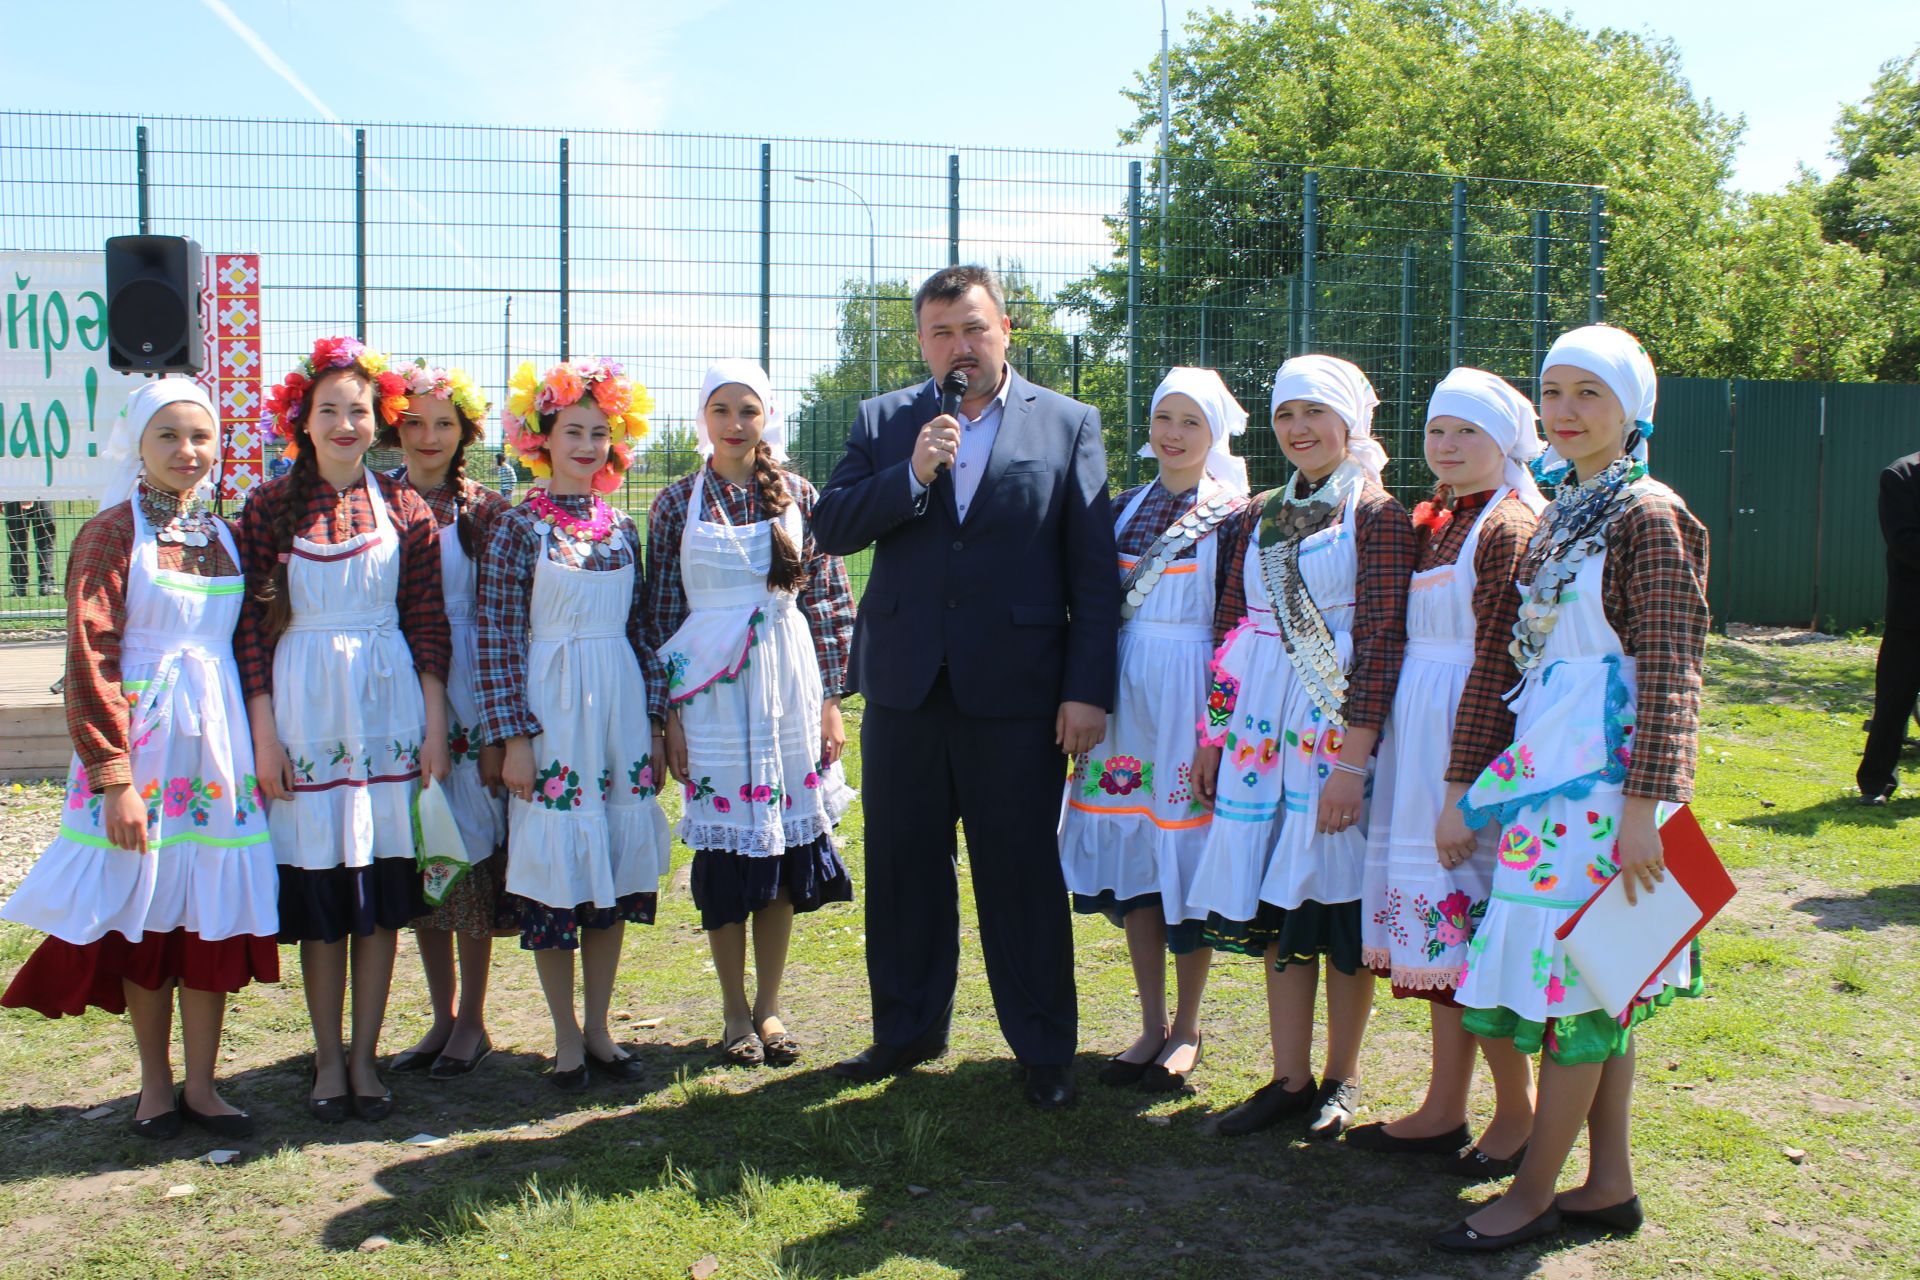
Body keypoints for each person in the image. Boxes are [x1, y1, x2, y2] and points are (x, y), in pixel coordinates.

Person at [811, 264, 1120, 1109]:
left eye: (974, 328)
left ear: (1006, 330)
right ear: (922, 341)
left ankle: (1045, 1047)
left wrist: (1087, 688)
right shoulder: (885, 421)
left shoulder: (1067, 424)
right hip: (907, 688)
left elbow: (1092, 575)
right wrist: (910, 474)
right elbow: (830, 525)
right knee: (906, 869)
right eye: (942, 332)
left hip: (1018, 694)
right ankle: (907, 1030)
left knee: (1019, 872)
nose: (960, 346)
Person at [1432, 325, 1709, 1253]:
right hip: (1551, 784)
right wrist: (1464, 783)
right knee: (1598, 986)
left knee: (1586, 992)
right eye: (1553, 392)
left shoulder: (1648, 514)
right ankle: (1609, 1185)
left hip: (1609, 796)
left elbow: (1671, 668)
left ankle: (1535, 1194)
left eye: (1589, 392)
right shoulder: (1563, 512)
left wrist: (1645, 807)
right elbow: (1511, 668)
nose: (1565, 411)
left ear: (1634, 407)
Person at [0, 379, 277, 1139]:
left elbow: (244, 644)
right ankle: (156, 1086)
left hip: (215, 752)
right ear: (137, 446)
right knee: (147, 917)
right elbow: (91, 657)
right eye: (169, 437)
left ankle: (205, 1086)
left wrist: (259, 742)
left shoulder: (223, 536)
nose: (187, 452)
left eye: (200, 437)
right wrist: (113, 778)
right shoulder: (109, 534)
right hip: (145, 752)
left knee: (208, 915)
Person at [1187, 354, 1415, 1140]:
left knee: (1337, 906)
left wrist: (1354, 762)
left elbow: (1384, 640)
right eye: (1286, 415)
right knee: (1283, 907)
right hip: (1258, 734)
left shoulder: (1378, 516)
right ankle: (1288, 1076)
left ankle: (1342, 1080)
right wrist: (1212, 735)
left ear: (1351, 423)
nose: (1299, 429)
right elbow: (1229, 630)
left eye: (1315, 413)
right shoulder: (1254, 515)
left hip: (1333, 734)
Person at [238, 337, 450, 1124]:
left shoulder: (404, 507)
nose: (344, 423)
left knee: (377, 895)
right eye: (328, 409)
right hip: (304, 713)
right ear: (303, 420)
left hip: (386, 712)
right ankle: (326, 1059)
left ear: (378, 421)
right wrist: (265, 736)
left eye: (358, 410)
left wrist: (433, 727)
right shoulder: (267, 507)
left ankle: (366, 1059)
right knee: (325, 897)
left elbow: (427, 624)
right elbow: (250, 633)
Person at [1347, 368, 1543, 1174]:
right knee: (1438, 933)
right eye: (1437, 431)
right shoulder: (1444, 519)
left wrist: (1464, 790)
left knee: (1474, 930)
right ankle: (1444, 1103)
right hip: (1419, 746)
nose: (1449, 446)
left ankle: (1519, 1111)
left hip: (1466, 752)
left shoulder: (1509, 528)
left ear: (1506, 441)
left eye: (1468, 432)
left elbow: (1499, 667)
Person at [647, 360, 857, 1067]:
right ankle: (732, 1010)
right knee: (727, 852)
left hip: (787, 686)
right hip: (709, 694)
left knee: (782, 848)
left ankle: (770, 1006)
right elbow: (662, 614)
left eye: (749, 410)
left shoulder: (799, 494)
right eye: (722, 411)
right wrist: (669, 714)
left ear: (767, 417)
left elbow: (827, 602)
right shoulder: (676, 502)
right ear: (702, 419)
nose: (736, 424)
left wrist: (831, 701)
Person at [477, 358, 671, 1092]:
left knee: (612, 873)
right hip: (551, 716)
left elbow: (645, 630)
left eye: (601, 433)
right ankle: (562, 1035)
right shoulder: (516, 527)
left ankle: (600, 1027)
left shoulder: (623, 528)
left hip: (618, 714)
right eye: (574, 432)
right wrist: (515, 738)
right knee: (557, 873)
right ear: (542, 440)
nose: (588, 445)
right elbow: (495, 636)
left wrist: (653, 724)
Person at [1058, 367, 1249, 1092]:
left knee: (1185, 861)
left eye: (1190, 422)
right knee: (1137, 863)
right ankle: (1149, 1021)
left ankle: (1189, 1026)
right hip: (1124, 698)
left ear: (1215, 434)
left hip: (1193, 693)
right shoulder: (1121, 507)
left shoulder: (1235, 516)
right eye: (1163, 417)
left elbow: (1234, 625)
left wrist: (1218, 732)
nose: (1172, 434)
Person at [381, 361, 515, 1081]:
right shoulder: (375, 502)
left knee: (467, 848)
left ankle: (473, 1018)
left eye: (444, 423)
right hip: (395, 687)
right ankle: (438, 1014)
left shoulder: (486, 511)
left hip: (468, 688)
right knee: (422, 854)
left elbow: (502, 619)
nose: (429, 436)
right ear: (394, 427)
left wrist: (498, 726)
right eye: (414, 422)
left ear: (466, 431)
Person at [1857, 448, 1920, 805]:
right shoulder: (1901, 475)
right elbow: (1903, 541)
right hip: (1912, 615)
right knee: (1894, 700)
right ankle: (1876, 784)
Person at [6, 498, 57, 596]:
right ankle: (44, 584)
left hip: (19, 495)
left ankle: (21, 586)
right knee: (21, 544)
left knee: (19, 543)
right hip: (32, 494)